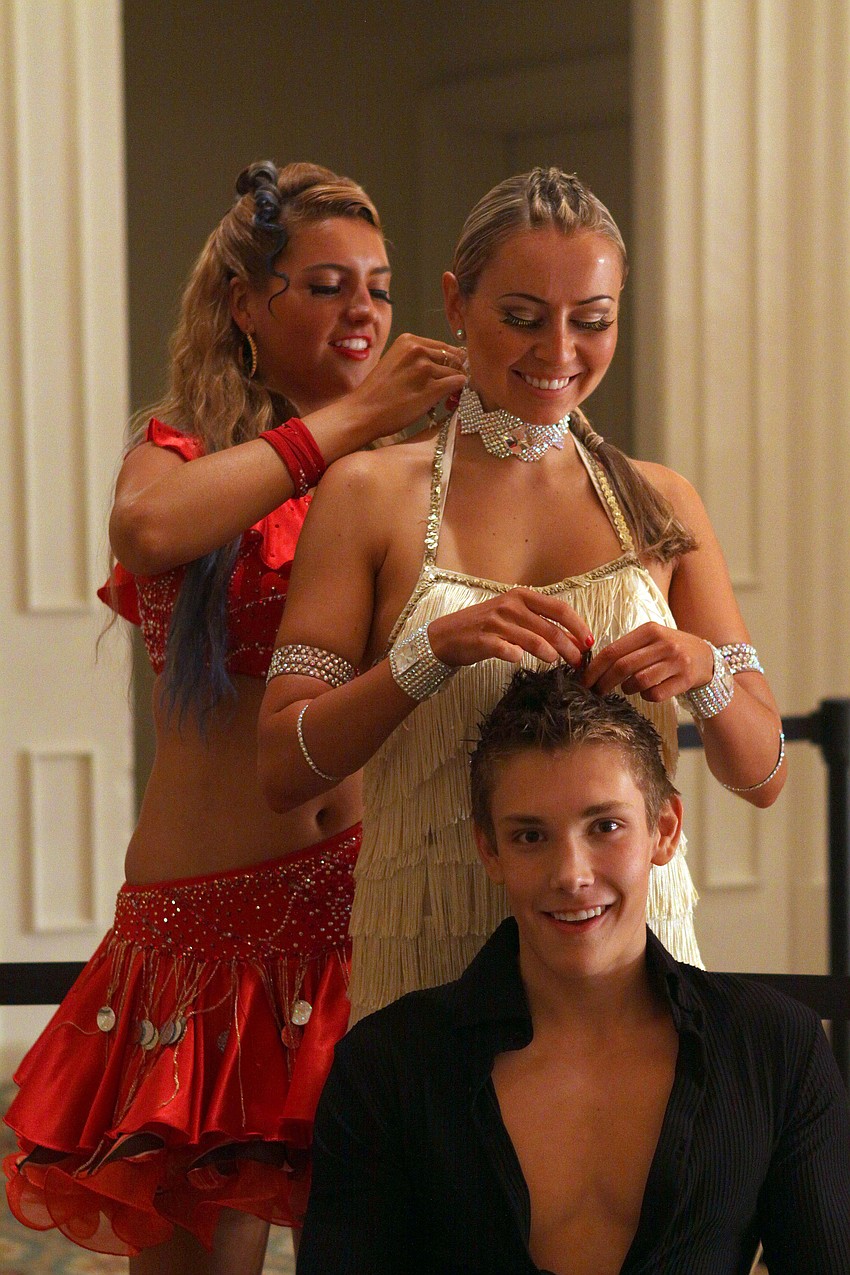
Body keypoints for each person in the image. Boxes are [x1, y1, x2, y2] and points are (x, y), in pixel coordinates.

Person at [2, 160, 465, 1272]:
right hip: (206, 935)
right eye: (327, 286)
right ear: (245, 303)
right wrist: (353, 418)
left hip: (367, 911)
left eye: (379, 287)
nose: (362, 311)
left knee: (384, 1246)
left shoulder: (405, 473)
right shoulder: (178, 451)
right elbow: (150, 532)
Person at [258, 166, 786, 1026]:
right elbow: (285, 767)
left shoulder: (663, 502)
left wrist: (705, 671)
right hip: (430, 964)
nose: (559, 352)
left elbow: (763, 774)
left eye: (592, 320)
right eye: (524, 318)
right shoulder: (367, 494)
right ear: (456, 303)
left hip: (634, 970)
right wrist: (431, 652)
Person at [298, 668, 850, 1275]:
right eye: (531, 836)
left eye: (605, 827)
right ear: (489, 850)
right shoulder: (388, 1065)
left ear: (664, 830)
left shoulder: (776, 1048)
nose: (571, 875)